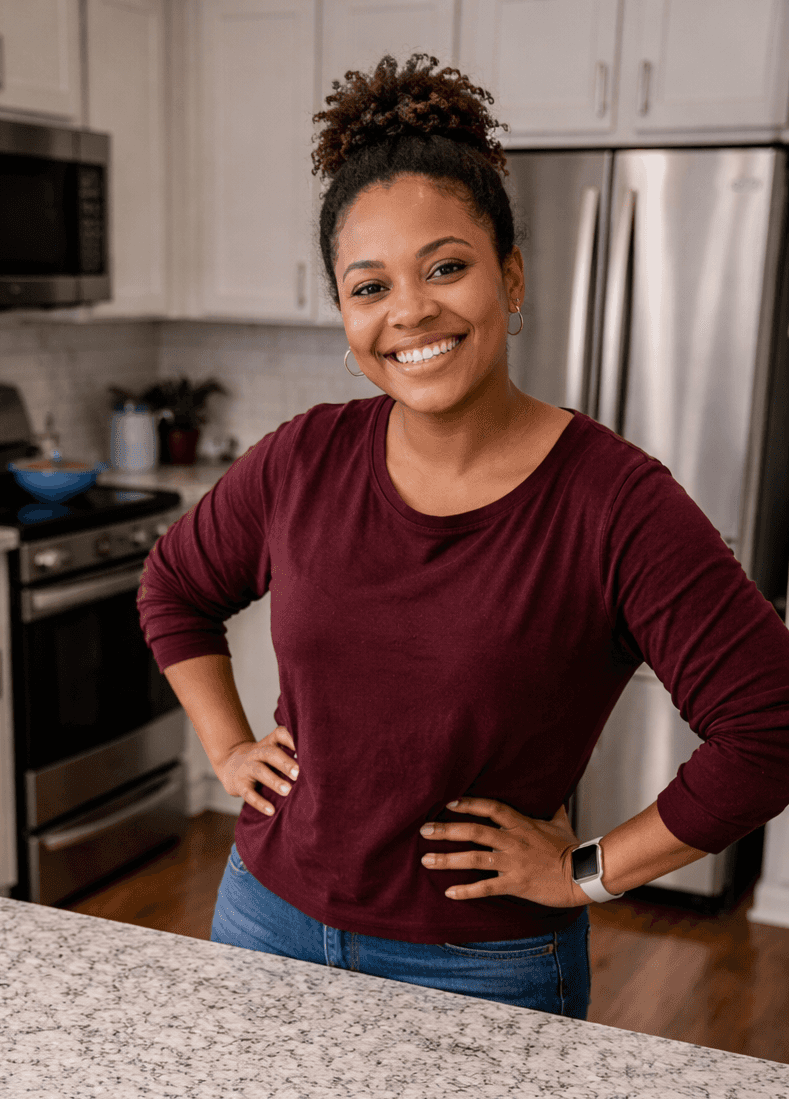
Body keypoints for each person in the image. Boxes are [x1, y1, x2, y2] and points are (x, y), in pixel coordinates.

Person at [137, 54, 789, 1020]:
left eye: (446, 267)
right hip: (263, 922)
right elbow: (174, 589)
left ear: (511, 276)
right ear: (345, 314)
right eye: (370, 287)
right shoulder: (301, 460)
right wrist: (229, 747)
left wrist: (584, 875)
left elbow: (770, 727)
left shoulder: (616, 503)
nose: (410, 311)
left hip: (483, 967)